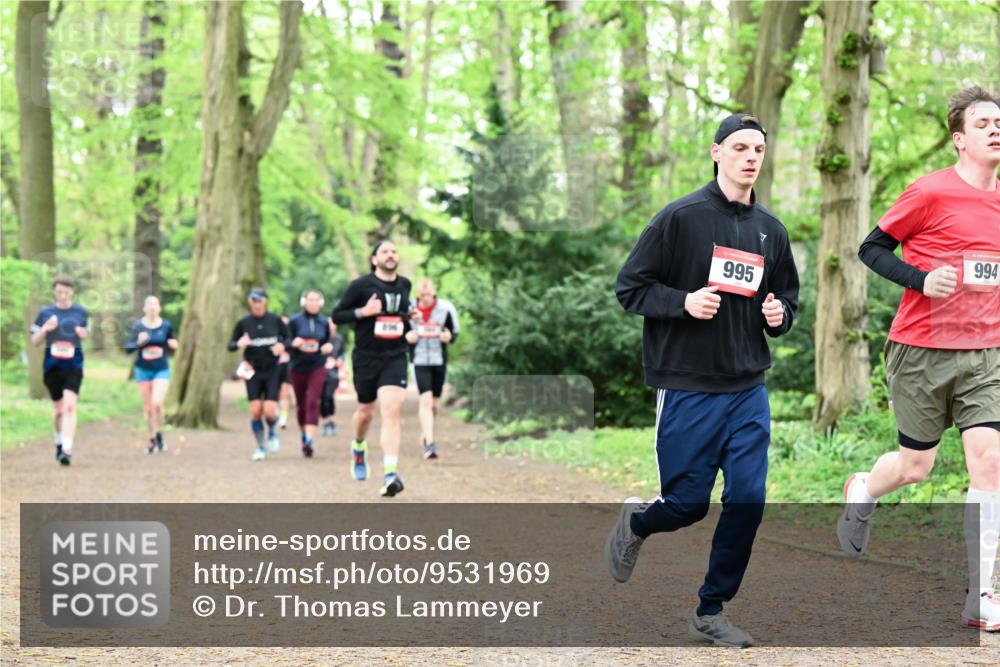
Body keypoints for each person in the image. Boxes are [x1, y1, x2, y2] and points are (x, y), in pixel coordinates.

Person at [607, 113, 800, 648]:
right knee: (688, 503)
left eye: (758, 148)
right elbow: (630, 288)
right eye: (739, 146)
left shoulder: (771, 231)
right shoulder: (680, 218)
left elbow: (787, 298)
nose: (750, 156)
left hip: (747, 387)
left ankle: (711, 609)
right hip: (688, 385)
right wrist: (683, 302)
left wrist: (780, 315)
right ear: (717, 153)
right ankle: (639, 523)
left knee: (748, 499)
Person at [838, 86, 1000, 631]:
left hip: (985, 354)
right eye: (983, 123)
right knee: (916, 467)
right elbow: (870, 248)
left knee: (990, 465)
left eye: (999, 121)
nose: (995, 129)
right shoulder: (929, 193)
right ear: (959, 139)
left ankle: (980, 594)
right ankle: (863, 489)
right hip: (921, 351)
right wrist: (922, 279)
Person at [332, 240, 416, 497]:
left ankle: (390, 474)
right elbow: (337, 316)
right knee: (366, 413)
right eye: (384, 252)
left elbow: (399, 315)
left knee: (391, 410)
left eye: (393, 251)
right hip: (366, 357)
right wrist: (363, 311)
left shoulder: (405, 285)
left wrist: (410, 322)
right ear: (373, 259)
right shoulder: (360, 286)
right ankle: (358, 447)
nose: (390, 255)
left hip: (395, 355)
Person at [30, 275, 90, 466]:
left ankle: (67, 449)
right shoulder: (45, 312)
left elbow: (86, 334)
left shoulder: (81, 312)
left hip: (74, 365)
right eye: (59, 292)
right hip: (52, 366)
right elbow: (34, 341)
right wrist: (45, 329)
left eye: (66, 291)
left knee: (70, 406)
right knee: (58, 411)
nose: (63, 295)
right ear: (54, 292)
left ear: (72, 292)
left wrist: (83, 333)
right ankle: (58, 440)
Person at [228, 288, 288, 461]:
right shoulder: (244, 323)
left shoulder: (275, 320)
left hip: (272, 370)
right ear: (250, 302)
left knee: (269, 411)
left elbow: (289, 338)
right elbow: (230, 345)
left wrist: (282, 346)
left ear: (265, 301)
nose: (257, 304)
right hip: (252, 371)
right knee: (255, 411)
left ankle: (272, 434)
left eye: (259, 300)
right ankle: (260, 447)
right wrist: (239, 343)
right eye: (253, 300)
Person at [406, 277, 459, 459]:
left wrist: (448, 337)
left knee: (434, 404)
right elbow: (403, 331)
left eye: (428, 294)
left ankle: (426, 432)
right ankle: (430, 443)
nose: (425, 298)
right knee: (425, 400)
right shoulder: (410, 310)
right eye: (422, 295)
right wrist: (408, 337)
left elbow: (454, 333)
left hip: (439, 360)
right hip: (419, 360)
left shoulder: (446, 308)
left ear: (434, 292)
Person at [124, 295, 178, 454]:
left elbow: (171, 344)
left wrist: (174, 345)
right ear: (144, 308)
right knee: (148, 408)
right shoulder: (138, 326)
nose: (153, 308)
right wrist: (138, 343)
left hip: (161, 369)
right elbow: (128, 348)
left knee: (157, 403)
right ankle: (152, 438)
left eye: (155, 305)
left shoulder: (166, 325)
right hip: (142, 370)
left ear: (160, 308)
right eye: (149, 305)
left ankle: (160, 432)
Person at [287, 289, 336, 457]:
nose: (313, 303)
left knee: (313, 401)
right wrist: (294, 343)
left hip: (317, 365)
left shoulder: (324, 322)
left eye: (316, 300)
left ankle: (310, 440)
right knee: (301, 404)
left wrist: (327, 348)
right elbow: (284, 342)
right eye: (310, 300)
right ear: (304, 302)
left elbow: (328, 342)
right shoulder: (294, 321)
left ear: (321, 303)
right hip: (298, 366)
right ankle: (303, 437)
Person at [320, 327, 347, 437]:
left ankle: (330, 421)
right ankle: (326, 422)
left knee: (328, 396)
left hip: (333, 373)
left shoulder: (339, 339)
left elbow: (342, 354)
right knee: (322, 398)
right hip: (320, 373)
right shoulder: (321, 337)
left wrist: (339, 361)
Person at [276, 315, 293, 432]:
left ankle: (283, 419)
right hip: (273, 367)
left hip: (286, 367)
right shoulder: (274, 336)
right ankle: (276, 413)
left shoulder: (291, 337)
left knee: (284, 392)